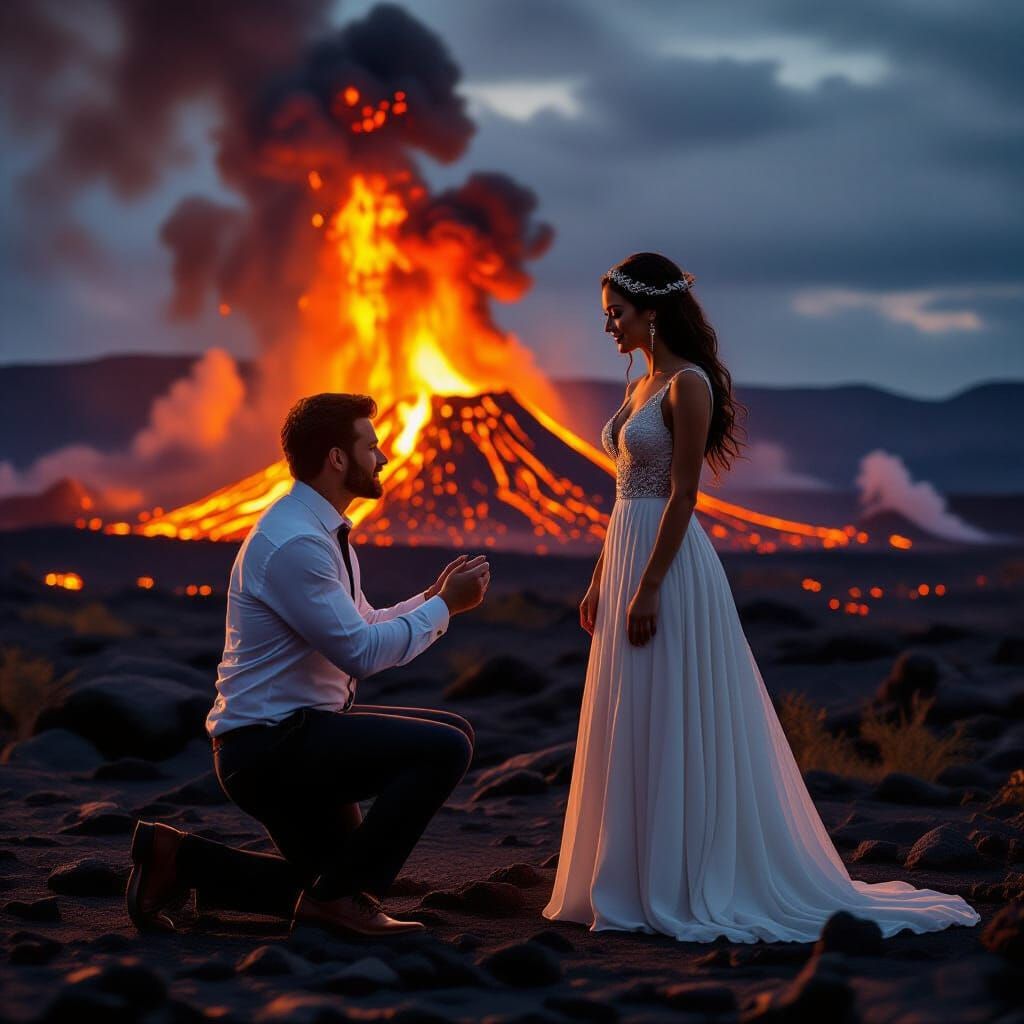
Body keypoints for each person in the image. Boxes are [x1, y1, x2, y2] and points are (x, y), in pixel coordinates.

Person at [542, 252, 980, 943]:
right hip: (627, 550)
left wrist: (649, 585)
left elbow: (684, 494)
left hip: (668, 566)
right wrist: (602, 578)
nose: (608, 327)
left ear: (651, 312)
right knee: (634, 707)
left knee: (671, 701)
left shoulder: (687, 384)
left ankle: (681, 877)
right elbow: (625, 495)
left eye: (616, 315)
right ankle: (630, 873)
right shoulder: (639, 382)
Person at [127, 393, 491, 938]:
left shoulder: (317, 529)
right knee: (446, 748)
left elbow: (362, 624)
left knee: (331, 877)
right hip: (270, 748)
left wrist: (433, 599)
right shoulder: (296, 542)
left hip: (295, 735)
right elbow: (360, 653)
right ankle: (339, 903)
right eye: (371, 446)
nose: (384, 458)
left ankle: (178, 860)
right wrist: (445, 609)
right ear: (337, 458)